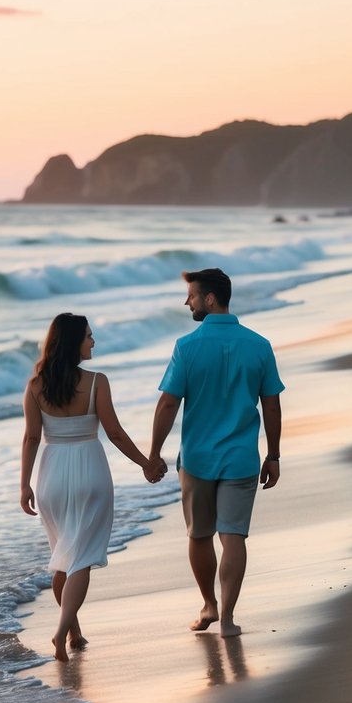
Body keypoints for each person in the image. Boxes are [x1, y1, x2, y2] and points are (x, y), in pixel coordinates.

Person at [20, 313, 165, 662]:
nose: (93, 342)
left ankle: (74, 632)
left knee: (64, 558)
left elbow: (31, 437)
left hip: (51, 475)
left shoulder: (36, 385)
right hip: (90, 472)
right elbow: (114, 433)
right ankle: (60, 634)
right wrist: (146, 462)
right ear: (73, 343)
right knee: (81, 558)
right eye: (88, 336)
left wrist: (24, 484)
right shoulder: (97, 382)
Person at [148, 268, 284, 638]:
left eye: (191, 295)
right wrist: (273, 455)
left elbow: (167, 405)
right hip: (241, 458)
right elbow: (271, 406)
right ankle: (227, 619)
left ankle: (209, 603)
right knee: (234, 536)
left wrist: (153, 454)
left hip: (197, 459)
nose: (186, 301)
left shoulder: (187, 347)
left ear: (210, 299)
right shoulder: (258, 345)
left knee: (199, 535)